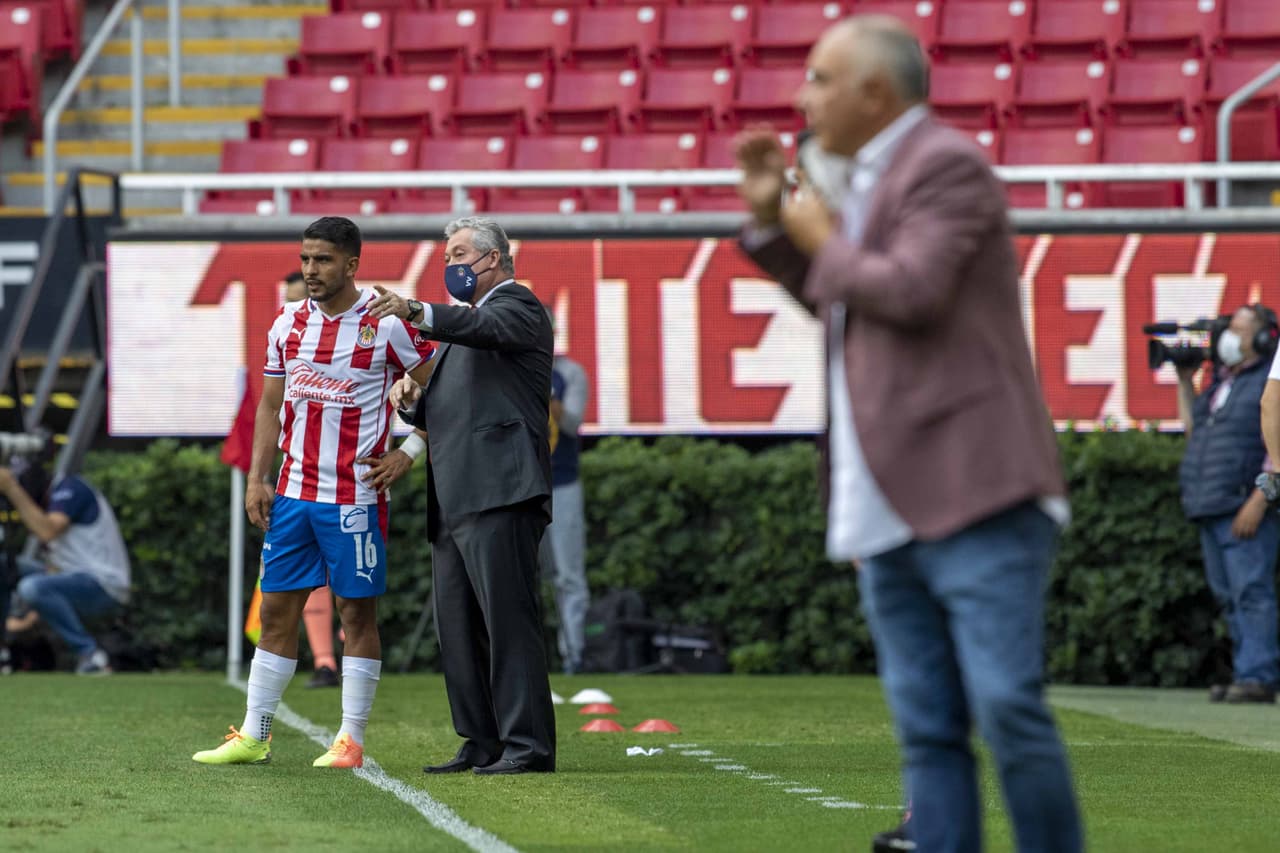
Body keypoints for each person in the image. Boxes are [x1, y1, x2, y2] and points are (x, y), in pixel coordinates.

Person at [736, 16, 1082, 853]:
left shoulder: (945, 165)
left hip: (976, 488)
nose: (802, 96)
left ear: (875, 91)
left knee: (1005, 706)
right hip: (890, 500)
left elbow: (914, 290)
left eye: (819, 78)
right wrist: (779, 233)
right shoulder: (865, 180)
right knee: (926, 729)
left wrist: (817, 237)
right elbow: (849, 302)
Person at [194, 217, 436, 769]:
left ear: (351, 264)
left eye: (323, 260)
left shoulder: (386, 324)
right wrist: (258, 477)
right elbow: (270, 406)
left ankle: (350, 739)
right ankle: (254, 736)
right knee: (277, 610)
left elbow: (445, 386)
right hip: (293, 496)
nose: (311, 269)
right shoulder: (285, 323)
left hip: (355, 498)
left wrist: (410, 450)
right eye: (305, 259)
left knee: (357, 616)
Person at [369, 215, 557, 776]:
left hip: (500, 487)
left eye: (458, 255)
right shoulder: (471, 324)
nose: (450, 266)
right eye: (447, 256)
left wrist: (415, 312)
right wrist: (410, 403)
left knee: (507, 621)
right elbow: (453, 404)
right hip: (455, 494)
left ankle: (527, 746)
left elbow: (482, 334)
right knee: (459, 625)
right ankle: (481, 740)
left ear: (493, 259)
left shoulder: (516, 306)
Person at [1179, 304, 1279, 704]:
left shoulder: (1266, 385)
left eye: (1238, 330)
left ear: (1262, 338)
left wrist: (1261, 497)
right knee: (1229, 595)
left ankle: (1259, 676)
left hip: (1245, 504)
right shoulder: (1221, 383)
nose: (1227, 338)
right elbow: (1194, 431)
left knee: (1252, 591)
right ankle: (1246, 673)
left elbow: (1276, 446)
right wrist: (1185, 382)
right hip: (1211, 504)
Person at [0, 456, 130, 675]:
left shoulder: (71, 487)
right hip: (67, 577)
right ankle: (2, 651)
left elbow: (47, 530)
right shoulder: (45, 499)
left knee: (33, 587)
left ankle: (91, 655)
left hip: (103, 584)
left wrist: (12, 488)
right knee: (4, 565)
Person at [543, 341, 590, 675]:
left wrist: (541, 391)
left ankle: (574, 655)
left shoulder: (569, 373)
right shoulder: (502, 362)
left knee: (569, 575)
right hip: (518, 484)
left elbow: (572, 423)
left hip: (562, 484)